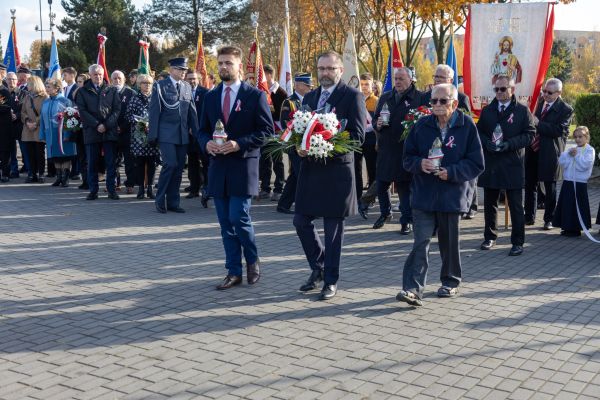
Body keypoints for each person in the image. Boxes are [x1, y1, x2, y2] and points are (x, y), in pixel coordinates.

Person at [396, 83, 484, 306]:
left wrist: (452, 172)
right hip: (424, 194)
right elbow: (407, 158)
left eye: (442, 101)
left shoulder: (467, 126)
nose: (436, 105)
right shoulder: (421, 125)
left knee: (449, 242)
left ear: (454, 103)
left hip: (451, 194)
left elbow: (477, 163)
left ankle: (450, 281)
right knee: (420, 241)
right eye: (433, 101)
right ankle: (413, 289)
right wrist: (419, 163)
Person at [197, 45, 273, 290]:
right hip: (218, 167)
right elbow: (201, 130)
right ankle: (233, 271)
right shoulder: (210, 96)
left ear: (240, 66)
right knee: (224, 223)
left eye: (228, 63)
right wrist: (206, 143)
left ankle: (252, 259)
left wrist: (238, 144)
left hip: (243, 165)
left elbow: (266, 132)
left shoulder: (255, 96)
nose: (223, 67)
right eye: (220, 63)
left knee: (238, 218)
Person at [295, 50, 367, 300]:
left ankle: (330, 280)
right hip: (311, 172)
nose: (325, 73)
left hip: (337, 173)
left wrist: (322, 143)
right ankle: (319, 266)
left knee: (332, 230)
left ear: (340, 71)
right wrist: (300, 146)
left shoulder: (353, 96)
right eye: (321, 68)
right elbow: (298, 131)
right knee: (300, 221)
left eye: (330, 68)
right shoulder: (310, 96)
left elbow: (358, 137)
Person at [477, 75, 535, 256]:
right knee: (490, 203)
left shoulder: (522, 111)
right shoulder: (487, 111)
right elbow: (479, 133)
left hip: (512, 163)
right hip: (492, 162)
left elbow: (530, 134)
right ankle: (490, 236)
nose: (500, 93)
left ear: (512, 89)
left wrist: (509, 144)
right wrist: (487, 144)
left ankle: (518, 242)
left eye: (503, 89)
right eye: (496, 89)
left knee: (516, 205)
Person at [372, 67, 427, 233]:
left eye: (401, 78)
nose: (398, 82)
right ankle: (385, 213)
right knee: (381, 184)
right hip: (386, 148)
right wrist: (377, 124)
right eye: (396, 78)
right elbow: (375, 119)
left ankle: (406, 220)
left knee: (404, 187)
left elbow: (425, 120)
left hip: (406, 149)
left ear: (410, 80)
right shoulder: (385, 97)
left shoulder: (419, 98)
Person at [148, 57, 199, 213]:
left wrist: (198, 134)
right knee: (169, 164)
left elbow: (192, 112)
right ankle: (159, 199)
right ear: (171, 70)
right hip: (166, 134)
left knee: (178, 169)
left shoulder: (186, 87)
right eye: (179, 69)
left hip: (182, 135)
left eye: (184, 70)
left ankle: (173, 202)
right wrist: (153, 135)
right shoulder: (160, 86)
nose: (183, 72)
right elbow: (154, 112)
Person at [524, 78, 573, 230]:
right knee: (529, 184)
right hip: (532, 149)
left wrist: (539, 123)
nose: (545, 94)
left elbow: (559, 131)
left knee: (549, 185)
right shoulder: (538, 102)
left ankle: (549, 218)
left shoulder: (566, 109)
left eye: (550, 93)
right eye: (544, 91)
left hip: (549, 152)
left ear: (559, 93)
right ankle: (529, 217)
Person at [76, 64, 122, 200]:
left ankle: (111, 190)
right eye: (95, 74)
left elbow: (117, 110)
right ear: (90, 75)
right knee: (92, 163)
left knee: (111, 163)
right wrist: (97, 125)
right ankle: (93, 190)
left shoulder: (111, 90)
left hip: (109, 132)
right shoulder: (83, 91)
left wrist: (106, 125)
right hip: (92, 131)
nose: (98, 77)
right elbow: (82, 111)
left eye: (100, 74)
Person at [276, 72, 313, 214]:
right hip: (294, 144)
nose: (310, 88)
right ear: (297, 85)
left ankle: (283, 205)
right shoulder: (289, 102)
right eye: (307, 85)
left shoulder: (310, 100)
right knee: (302, 175)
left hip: (306, 144)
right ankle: (306, 208)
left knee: (295, 176)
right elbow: (286, 123)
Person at [553, 126, 595, 237]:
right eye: (575, 137)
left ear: (586, 137)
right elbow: (562, 162)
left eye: (580, 137)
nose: (577, 139)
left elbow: (585, 165)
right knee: (567, 205)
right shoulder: (572, 149)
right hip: (568, 181)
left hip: (580, 183)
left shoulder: (590, 150)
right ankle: (566, 227)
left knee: (578, 206)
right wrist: (568, 155)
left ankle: (576, 228)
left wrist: (575, 156)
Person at [126, 74, 159, 199]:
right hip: (139, 136)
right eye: (144, 83)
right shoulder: (135, 98)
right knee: (139, 163)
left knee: (152, 163)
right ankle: (140, 189)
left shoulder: (155, 98)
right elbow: (128, 115)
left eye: (149, 83)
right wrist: (139, 121)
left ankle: (150, 188)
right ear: (139, 85)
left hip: (152, 134)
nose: (147, 85)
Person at [39, 77, 77, 187]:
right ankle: (59, 177)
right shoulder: (45, 102)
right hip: (50, 134)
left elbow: (70, 119)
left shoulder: (65, 101)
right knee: (55, 155)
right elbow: (42, 119)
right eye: (46, 86)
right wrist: (42, 134)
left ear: (57, 88)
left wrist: (67, 134)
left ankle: (65, 178)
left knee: (64, 155)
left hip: (62, 134)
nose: (46, 89)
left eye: (49, 87)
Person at [258, 64, 287, 202]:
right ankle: (265, 188)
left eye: (262, 75)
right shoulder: (260, 91)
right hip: (264, 131)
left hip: (277, 131)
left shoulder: (281, 93)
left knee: (277, 161)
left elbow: (284, 113)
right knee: (264, 160)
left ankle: (278, 188)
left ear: (269, 75)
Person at [184, 69, 210, 203]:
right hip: (188, 135)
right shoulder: (182, 93)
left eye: (194, 78)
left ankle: (207, 188)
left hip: (202, 134)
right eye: (189, 79)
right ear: (185, 80)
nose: (192, 81)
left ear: (199, 79)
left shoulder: (206, 93)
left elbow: (207, 114)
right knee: (192, 163)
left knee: (205, 161)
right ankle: (194, 189)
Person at [111, 70, 136, 193]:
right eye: (115, 78)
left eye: (119, 78)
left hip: (127, 132)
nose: (117, 80)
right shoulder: (107, 92)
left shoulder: (131, 93)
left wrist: (123, 126)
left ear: (124, 79)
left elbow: (134, 113)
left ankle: (130, 184)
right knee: (113, 160)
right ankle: (116, 183)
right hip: (112, 131)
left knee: (129, 161)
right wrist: (112, 126)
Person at [21, 76, 48, 183]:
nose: (27, 86)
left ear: (35, 84)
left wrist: (35, 123)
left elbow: (44, 113)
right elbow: (23, 112)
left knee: (39, 153)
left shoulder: (44, 97)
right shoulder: (27, 97)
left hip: (39, 128)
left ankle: (41, 174)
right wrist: (27, 121)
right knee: (30, 153)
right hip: (28, 129)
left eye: (29, 84)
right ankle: (32, 174)